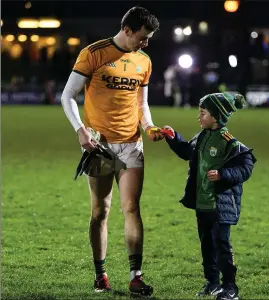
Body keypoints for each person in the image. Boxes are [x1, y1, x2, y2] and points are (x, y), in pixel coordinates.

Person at [60, 6, 163, 296]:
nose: (145, 43)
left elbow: (141, 104)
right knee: (100, 211)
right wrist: (80, 130)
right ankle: (100, 275)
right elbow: (68, 96)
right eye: (142, 37)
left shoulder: (144, 60)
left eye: (149, 39)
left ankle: (136, 276)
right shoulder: (93, 53)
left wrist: (150, 127)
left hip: (132, 144)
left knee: (131, 208)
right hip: (100, 147)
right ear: (127, 30)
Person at [161, 92, 257, 300]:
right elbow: (187, 152)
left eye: (202, 113)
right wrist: (173, 137)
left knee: (222, 245)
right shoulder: (201, 136)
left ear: (215, 116)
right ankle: (212, 282)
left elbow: (246, 167)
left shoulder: (228, 142)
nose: (199, 117)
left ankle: (230, 287)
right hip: (202, 203)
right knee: (206, 245)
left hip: (220, 204)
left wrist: (223, 175)